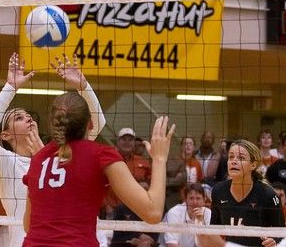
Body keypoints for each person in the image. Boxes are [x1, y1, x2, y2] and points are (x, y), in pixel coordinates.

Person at [0, 53, 106, 247]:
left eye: (28, 115)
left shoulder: (59, 153)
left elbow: (96, 124)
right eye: (18, 118)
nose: (28, 118)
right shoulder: (4, 162)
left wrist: (83, 86)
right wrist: (10, 88)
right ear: (5, 135)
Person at [22, 91, 174, 247]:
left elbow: (28, 225)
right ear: (91, 124)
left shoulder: (38, 159)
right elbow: (153, 213)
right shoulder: (101, 155)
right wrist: (159, 159)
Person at [209, 139, 285, 246]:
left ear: (253, 165)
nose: (234, 161)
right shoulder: (218, 190)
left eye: (241, 158)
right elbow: (213, 230)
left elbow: (281, 233)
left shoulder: (267, 194)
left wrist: (274, 241)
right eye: (231, 157)